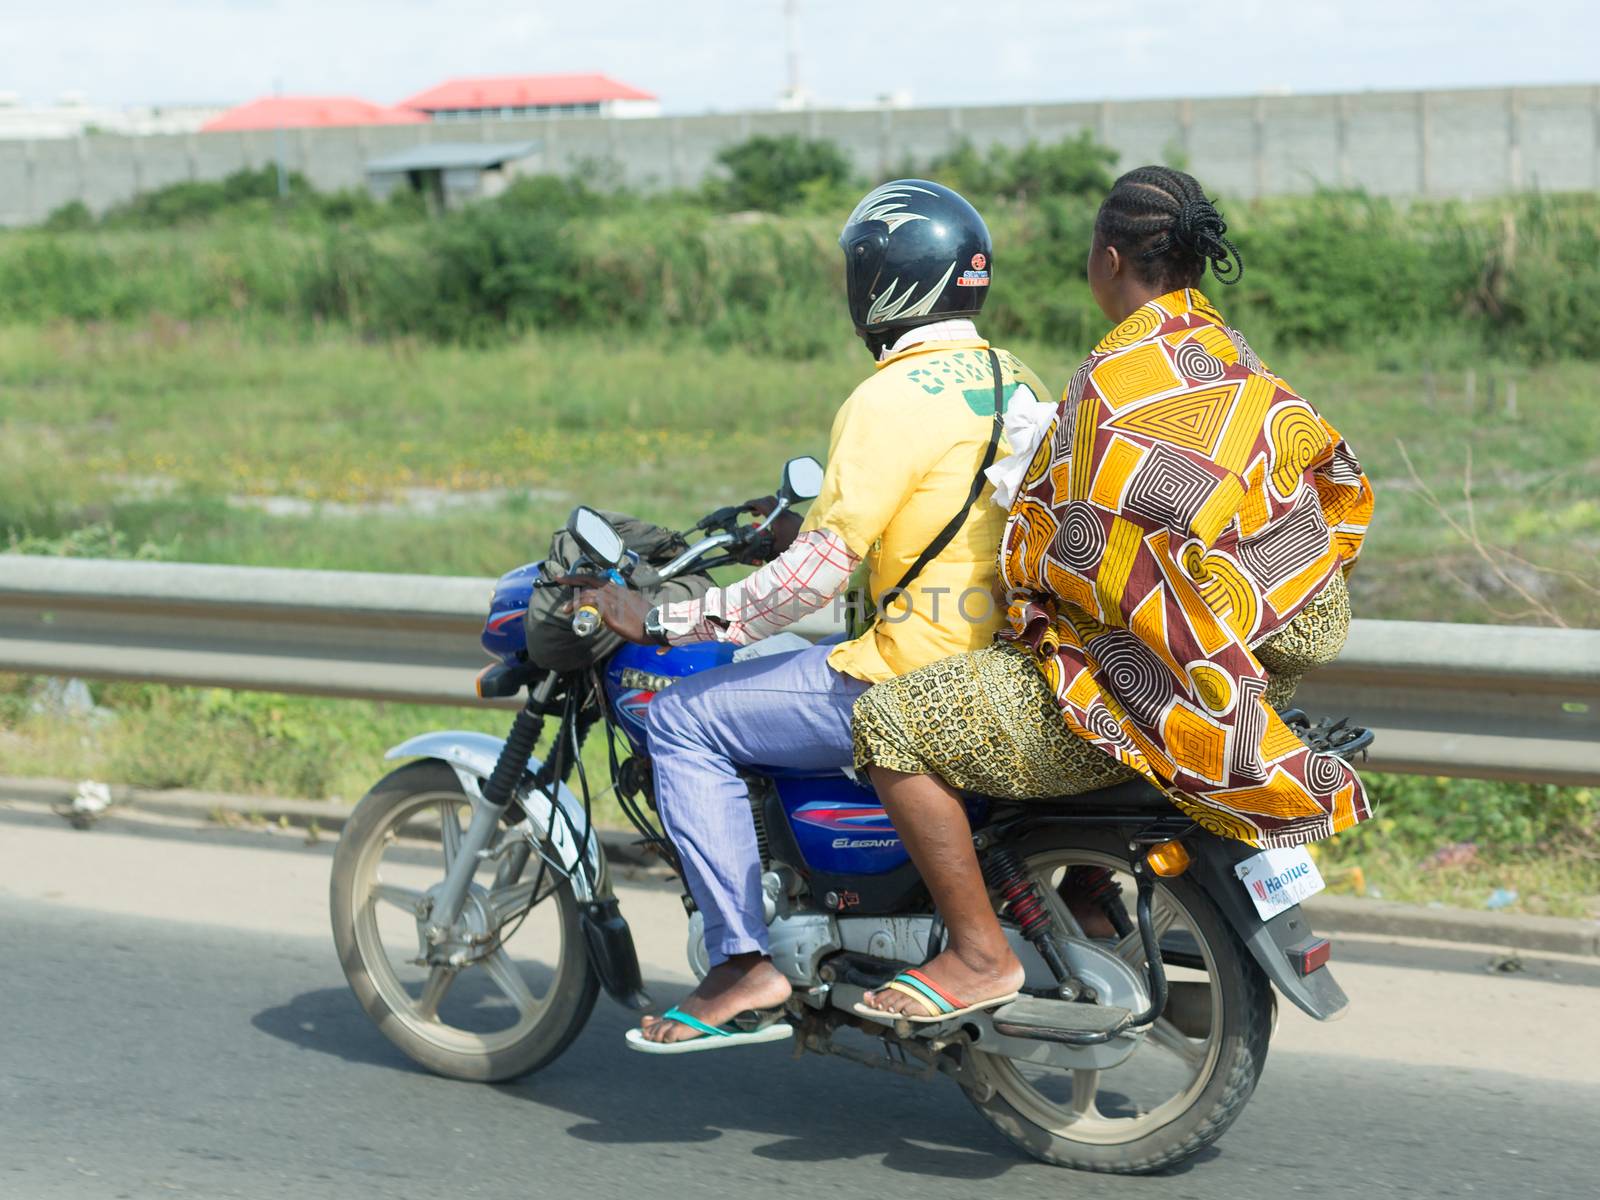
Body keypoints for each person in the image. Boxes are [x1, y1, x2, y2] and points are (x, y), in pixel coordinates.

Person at [850, 166, 1377, 1020]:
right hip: (1253, 670)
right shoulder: (1234, 362)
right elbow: (1307, 498)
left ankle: (980, 954)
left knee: (888, 723)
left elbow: (1096, 565)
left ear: (1108, 259)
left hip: (1156, 688)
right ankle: (1088, 896)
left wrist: (1028, 531)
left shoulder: (1114, 381)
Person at [570, 180, 1052, 1048]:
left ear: (881, 282)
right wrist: (800, 533)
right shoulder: (1010, 374)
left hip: (912, 673)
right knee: (789, 656)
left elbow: (811, 584)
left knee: (682, 716)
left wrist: (669, 621)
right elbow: (950, 515)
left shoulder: (886, 397)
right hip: (998, 659)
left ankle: (740, 963)